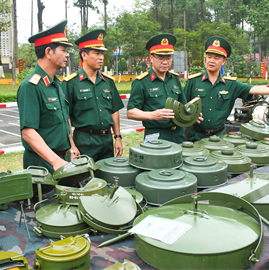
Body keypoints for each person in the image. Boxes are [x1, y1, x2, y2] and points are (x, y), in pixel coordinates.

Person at [183, 36, 269, 141]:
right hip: (195, 136)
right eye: (209, 57)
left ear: (223, 61)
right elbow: (182, 105)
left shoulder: (230, 84)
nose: (211, 61)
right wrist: (190, 115)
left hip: (219, 137)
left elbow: (254, 89)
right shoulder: (194, 81)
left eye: (216, 58)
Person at [17, 20, 76, 173]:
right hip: (42, 166)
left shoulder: (56, 83)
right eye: (63, 50)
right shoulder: (31, 86)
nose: (67, 54)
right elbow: (28, 133)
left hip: (61, 160)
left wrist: (71, 147)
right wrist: (56, 162)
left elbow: (63, 120)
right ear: (49, 52)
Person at [62, 29, 124, 161]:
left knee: (108, 177)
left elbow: (114, 110)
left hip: (107, 141)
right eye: (96, 53)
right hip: (84, 141)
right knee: (86, 180)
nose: (101, 57)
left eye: (102, 53)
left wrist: (117, 137)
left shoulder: (108, 82)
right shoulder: (71, 83)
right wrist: (71, 145)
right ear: (84, 55)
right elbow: (65, 116)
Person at [127, 33, 190, 143]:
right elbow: (131, 112)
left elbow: (182, 105)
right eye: (160, 57)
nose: (165, 62)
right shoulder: (141, 82)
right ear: (151, 58)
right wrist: (153, 115)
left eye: (169, 57)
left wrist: (192, 114)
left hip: (178, 134)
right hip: (155, 135)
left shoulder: (174, 79)